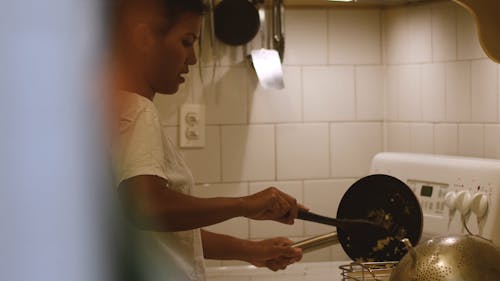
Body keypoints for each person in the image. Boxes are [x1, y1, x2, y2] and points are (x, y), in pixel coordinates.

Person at [109, 1, 306, 280]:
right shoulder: (139, 112)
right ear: (144, 39)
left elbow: (162, 231)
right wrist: (244, 205)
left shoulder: (114, 110)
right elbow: (149, 207)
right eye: (186, 42)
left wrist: (250, 250)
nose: (192, 59)